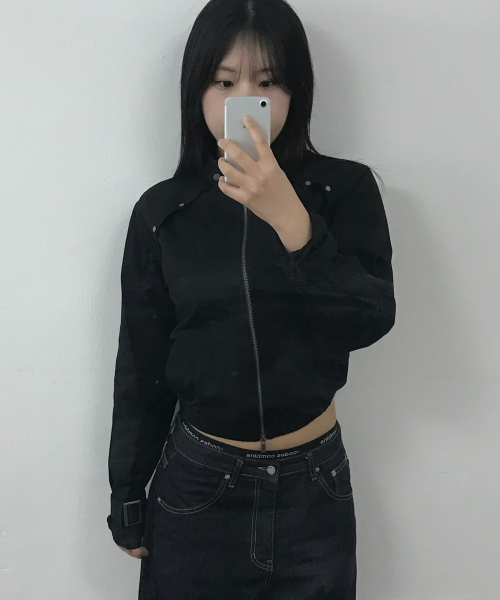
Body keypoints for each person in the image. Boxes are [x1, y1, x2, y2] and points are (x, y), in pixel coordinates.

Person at [106, 0, 396, 598]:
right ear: (196, 89)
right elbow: (141, 365)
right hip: (198, 484)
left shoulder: (343, 190)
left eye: (267, 82)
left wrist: (292, 220)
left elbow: (369, 318)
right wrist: (127, 493)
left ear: (296, 89)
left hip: (315, 486)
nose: (246, 99)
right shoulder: (164, 211)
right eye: (224, 81)